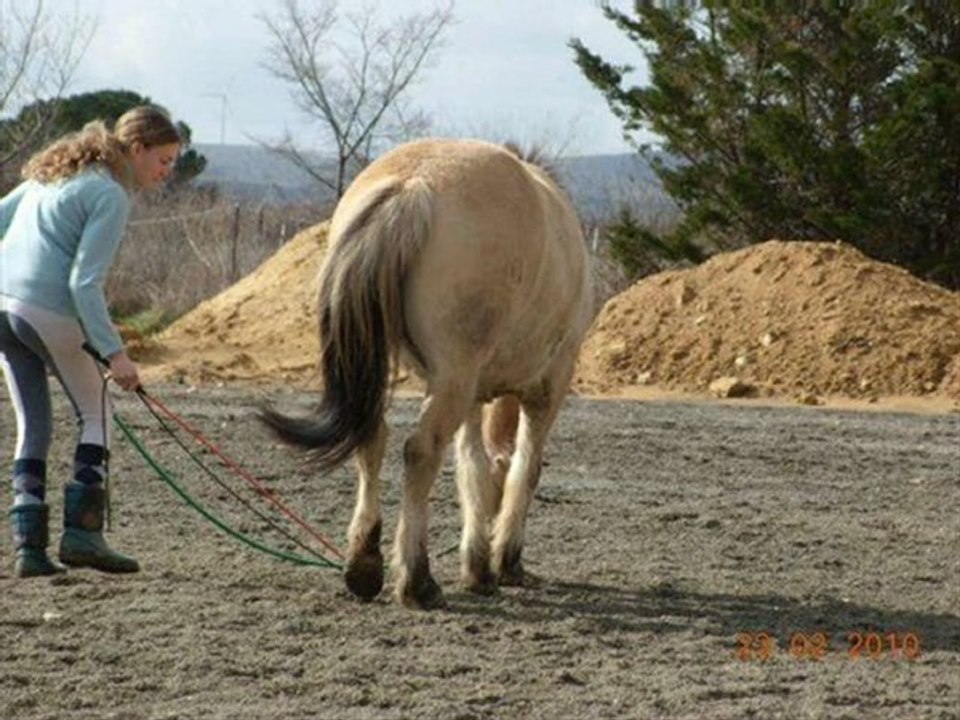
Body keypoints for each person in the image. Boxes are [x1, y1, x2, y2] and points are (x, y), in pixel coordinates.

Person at [0, 105, 181, 577]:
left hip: (4, 309)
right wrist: (115, 354)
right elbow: (84, 284)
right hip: (47, 311)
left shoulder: (53, 174)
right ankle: (83, 536)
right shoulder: (110, 193)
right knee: (97, 413)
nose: (167, 171)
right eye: (163, 160)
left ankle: (29, 549)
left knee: (33, 424)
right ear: (137, 149)